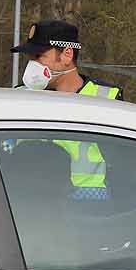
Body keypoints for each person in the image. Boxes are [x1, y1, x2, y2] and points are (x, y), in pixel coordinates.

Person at [11, 19, 122, 198]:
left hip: (90, 208)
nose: (32, 65)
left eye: (39, 56)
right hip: (28, 205)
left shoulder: (107, 99)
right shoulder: (21, 97)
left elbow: (126, 169)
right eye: (30, 58)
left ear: (67, 55)